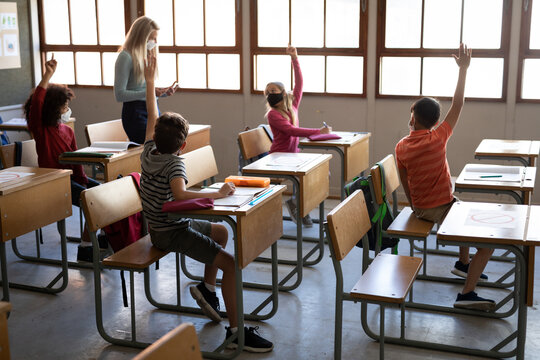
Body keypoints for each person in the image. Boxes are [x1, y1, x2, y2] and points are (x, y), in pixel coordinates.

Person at [140, 52, 274, 353]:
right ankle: (237, 331)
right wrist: (218, 194)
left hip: (165, 225)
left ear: (156, 136)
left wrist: (150, 83)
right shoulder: (175, 165)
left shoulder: (148, 151)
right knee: (233, 266)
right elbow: (181, 196)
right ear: (184, 145)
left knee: (222, 232)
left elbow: (151, 113)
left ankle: (207, 288)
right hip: (169, 231)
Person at [395, 44, 495, 311]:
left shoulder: (401, 146)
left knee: (457, 203)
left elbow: (404, 180)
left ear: (413, 119)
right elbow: (458, 103)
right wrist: (463, 70)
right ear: (436, 121)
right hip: (438, 209)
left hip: (422, 207)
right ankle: (467, 294)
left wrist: (415, 205)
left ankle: (463, 265)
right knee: (488, 246)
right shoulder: (439, 137)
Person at [24, 55, 104, 262]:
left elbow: (75, 159)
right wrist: (47, 76)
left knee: (104, 193)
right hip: (54, 181)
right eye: (64, 105)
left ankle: (101, 238)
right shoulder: (40, 129)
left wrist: (84, 180)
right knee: (92, 200)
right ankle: (86, 248)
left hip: (71, 179)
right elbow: (38, 101)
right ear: (52, 107)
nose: (67, 109)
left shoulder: (66, 130)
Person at [264, 45, 332, 227]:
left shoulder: (292, 106)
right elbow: (291, 131)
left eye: (274, 90)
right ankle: (298, 206)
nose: (270, 94)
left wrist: (295, 58)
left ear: (283, 92)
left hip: (292, 155)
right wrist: (318, 131)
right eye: (268, 92)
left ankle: (300, 205)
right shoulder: (273, 115)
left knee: (322, 171)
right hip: (278, 157)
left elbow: (299, 83)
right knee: (308, 174)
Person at [114, 16, 178, 144]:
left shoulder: (147, 55)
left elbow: (145, 90)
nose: (155, 41)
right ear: (141, 37)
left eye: (156, 38)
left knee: (162, 145)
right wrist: (150, 91)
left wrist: (161, 93)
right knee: (152, 146)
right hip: (135, 113)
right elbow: (119, 95)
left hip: (153, 108)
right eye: (152, 38)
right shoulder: (125, 57)